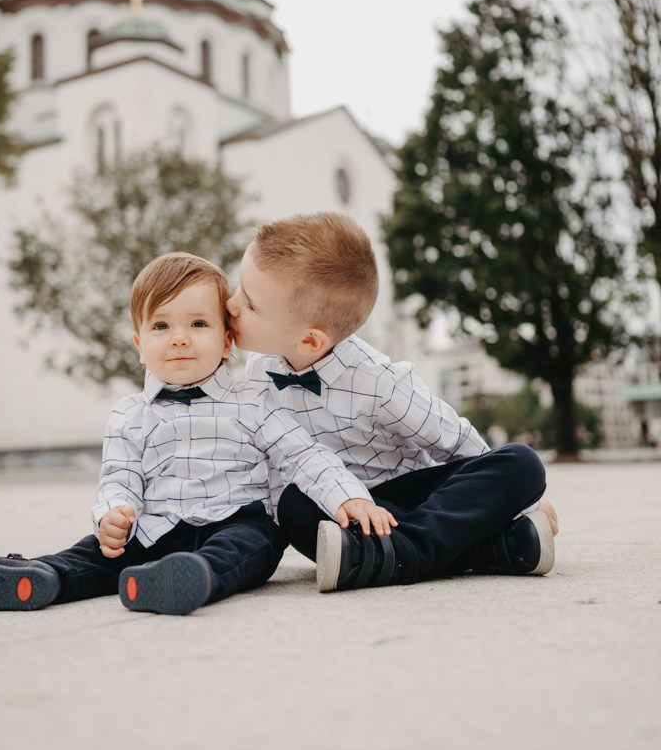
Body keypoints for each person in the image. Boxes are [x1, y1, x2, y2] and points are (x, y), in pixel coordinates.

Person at [0, 252, 392, 617]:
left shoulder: (254, 401)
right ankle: (40, 576)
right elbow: (119, 476)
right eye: (161, 326)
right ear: (140, 345)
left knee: (244, 548)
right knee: (98, 553)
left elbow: (304, 455)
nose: (179, 338)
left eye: (198, 324)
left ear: (226, 340)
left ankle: (189, 578)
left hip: (236, 520)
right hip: (154, 527)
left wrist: (347, 497)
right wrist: (113, 513)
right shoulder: (129, 414)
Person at [226, 212, 557, 592]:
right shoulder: (259, 368)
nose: (231, 304)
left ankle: (401, 554)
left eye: (249, 303)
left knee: (522, 463)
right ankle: (488, 548)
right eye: (239, 287)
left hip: (412, 499)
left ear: (310, 341)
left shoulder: (381, 382)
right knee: (293, 506)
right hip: (344, 510)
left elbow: (457, 443)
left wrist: (522, 503)